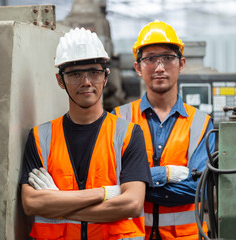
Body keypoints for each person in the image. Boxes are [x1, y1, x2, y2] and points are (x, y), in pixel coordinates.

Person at [20, 27, 152, 240]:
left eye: (94, 72)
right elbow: (31, 204)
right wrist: (106, 193)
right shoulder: (40, 137)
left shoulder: (128, 134)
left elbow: (133, 203)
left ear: (106, 77)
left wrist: (58, 202)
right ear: (60, 80)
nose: (86, 82)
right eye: (75, 74)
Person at [113, 20, 215, 240]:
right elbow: (111, 181)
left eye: (168, 58)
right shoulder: (119, 119)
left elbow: (201, 188)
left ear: (181, 63)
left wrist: (136, 185)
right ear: (138, 68)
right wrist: (167, 174)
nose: (159, 68)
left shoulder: (201, 123)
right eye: (150, 59)